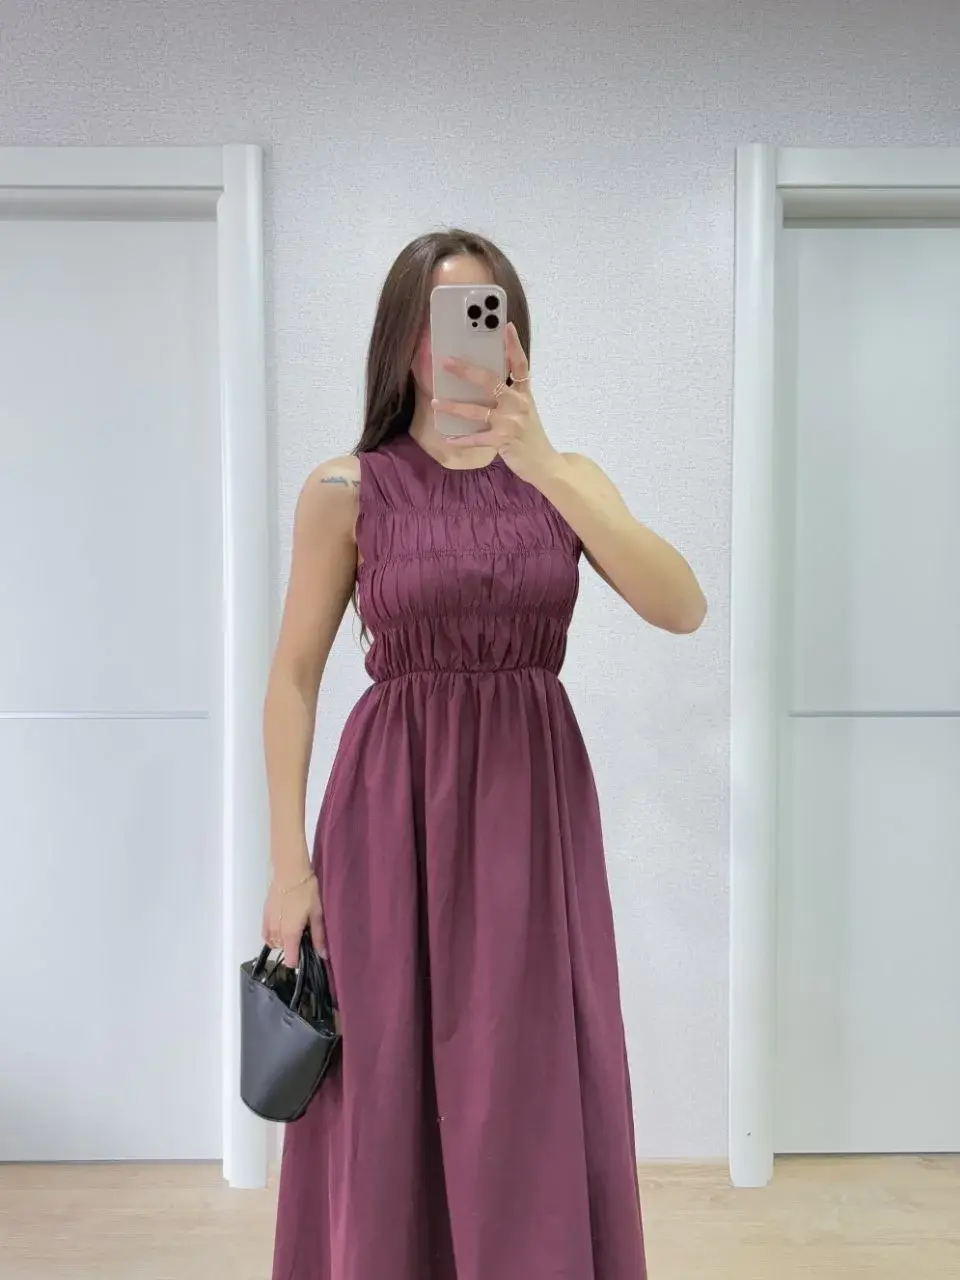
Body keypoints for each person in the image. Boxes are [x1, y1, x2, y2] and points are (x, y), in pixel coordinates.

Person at [262, 229, 706, 1280]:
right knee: (386, 1074)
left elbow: (682, 606)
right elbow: (293, 677)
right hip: (389, 818)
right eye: (444, 314)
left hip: (532, 819)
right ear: (402, 337)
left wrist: (542, 462)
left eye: (487, 311)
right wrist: (289, 867)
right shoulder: (345, 489)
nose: (466, 336)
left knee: (530, 1068)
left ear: (512, 334)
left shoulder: (566, 478)